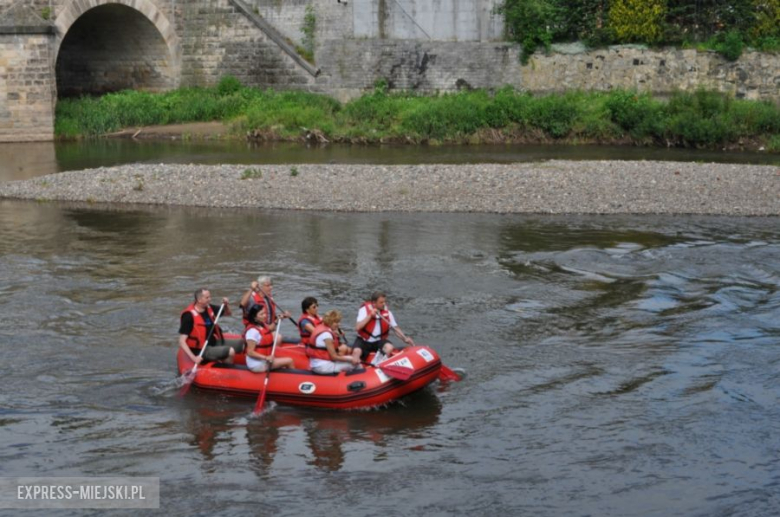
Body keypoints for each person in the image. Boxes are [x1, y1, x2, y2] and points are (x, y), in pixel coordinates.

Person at [179, 288, 239, 365]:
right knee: (230, 351)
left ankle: (220, 359)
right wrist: (194, 358)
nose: (210, 299)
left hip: (213, 342)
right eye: (207, 298)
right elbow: (181, 341)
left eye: (210, 297)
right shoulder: (188, 316)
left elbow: (228, 314)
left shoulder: (209, 307)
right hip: (200, 350)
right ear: (199, 300)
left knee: (242, 344)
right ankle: (227, 372)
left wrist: (226, 305)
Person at [352, 291, 415, 362]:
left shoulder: (388, 313)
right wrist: (370, 316)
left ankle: (378, 364)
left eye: (384, 302)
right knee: (356, 352)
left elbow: (395, 328)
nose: (384, 304)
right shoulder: (364, 310)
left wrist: (405, 338)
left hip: (379, 341)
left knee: (389, 347)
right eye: (381, 302)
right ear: (374, 303)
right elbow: (357, 327)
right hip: (364, 341)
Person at [308, 310, 361, 374]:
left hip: (319, 363)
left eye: (339, 322)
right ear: (330, 322)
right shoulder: (327, 335)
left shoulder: (321, 327)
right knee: (357, 365)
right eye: (336, 322)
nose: (339, 324)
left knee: (350, 359)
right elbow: (334, 357)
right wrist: (351, 359)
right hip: (322, 367)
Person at [243, 304, 293, 373]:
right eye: (261, 314)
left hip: (263, 360)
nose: (265, 316)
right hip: (257, 364)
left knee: (283, 365)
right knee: (289, 361)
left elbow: (269, 328)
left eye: (265, 313)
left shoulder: (261, 324)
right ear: (255, 317)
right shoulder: (252, 332)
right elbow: (250, 352)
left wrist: (278, 319)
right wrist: (266, 357)